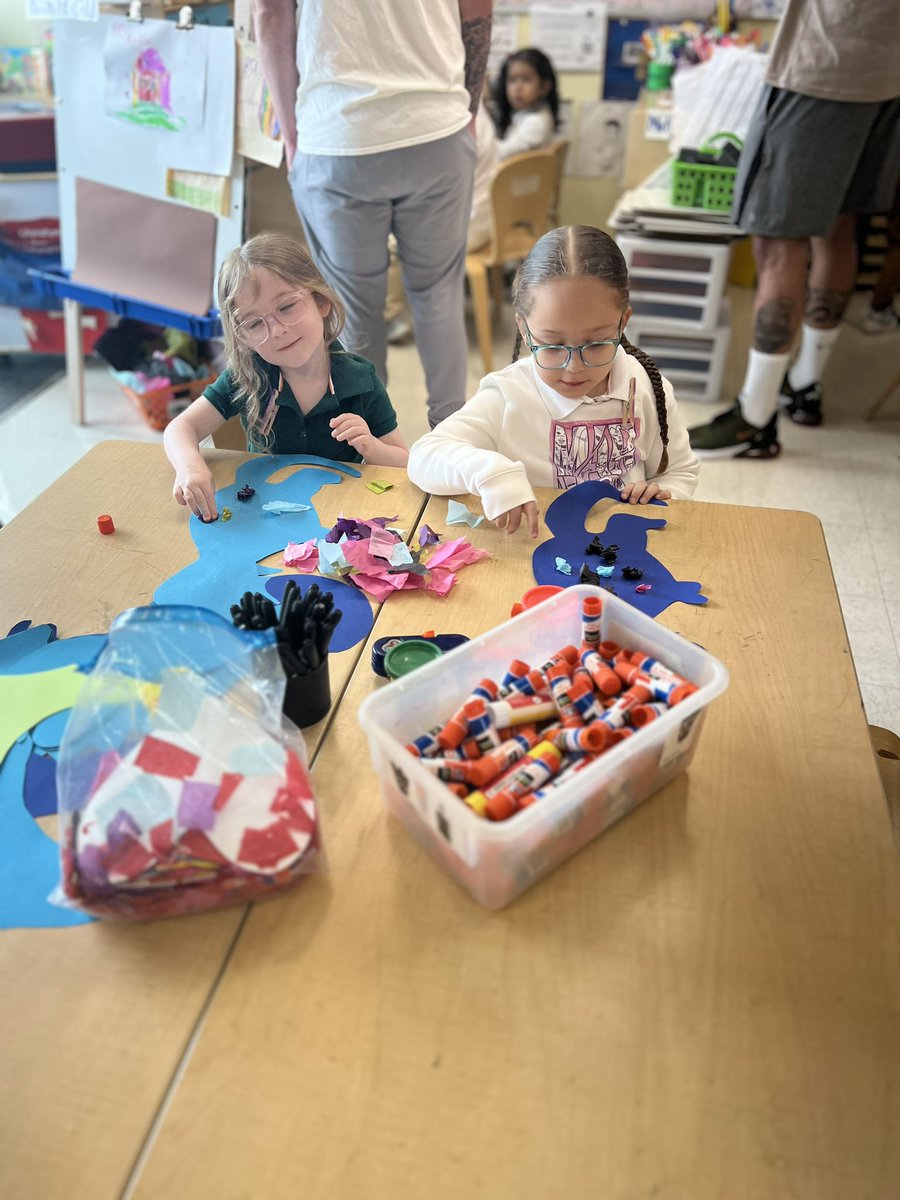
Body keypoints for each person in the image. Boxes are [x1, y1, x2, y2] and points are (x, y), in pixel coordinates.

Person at [251, 0, 492, 430]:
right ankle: (453, 444)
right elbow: (476, 11)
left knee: (352, 308)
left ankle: (372, 446)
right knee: (438, 296)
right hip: (436, 124)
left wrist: (291, 132)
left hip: (338, 133)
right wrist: (469, 110)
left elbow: (270, 13)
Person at [689, 0, 900, 458]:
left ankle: (755, 419)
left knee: (778, 242)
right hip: (886, 74)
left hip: (822, 63)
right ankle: (805, 385)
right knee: (838, 228)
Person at [407, 226, 699, 538]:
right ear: (523, 329)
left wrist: (663, 495)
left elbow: (680, 472)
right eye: (552, 346)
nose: (573, 367)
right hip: (535, 551)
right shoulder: (508, 394)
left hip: (623, 554)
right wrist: (491, 473)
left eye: (596, 343)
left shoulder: (646, 388)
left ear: (622, 322)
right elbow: (425, 456)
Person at [164, 234, 408, 523]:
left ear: (321, 301)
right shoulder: (246, 377)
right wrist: (189, 465)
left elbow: (406, 463)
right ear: (243, 338)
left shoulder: (361, 379)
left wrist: (371, 446)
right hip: (264, 517)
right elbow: (181, 427)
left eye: (287, 307)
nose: (277, 330)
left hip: (338, 519)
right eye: (254, 323)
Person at [490, 48, 561, 160]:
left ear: (544, 87)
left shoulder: (536, 123)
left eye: (526, 79)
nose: (518, 87)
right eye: (512, 80)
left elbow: (498, 154)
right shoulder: (523, 114)